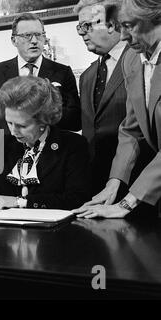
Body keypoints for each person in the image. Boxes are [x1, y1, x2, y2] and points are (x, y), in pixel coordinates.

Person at [74, 0, 161, 219]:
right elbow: (131, 129)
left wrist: (127, 203)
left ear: (156, 18)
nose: (122, 36)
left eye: (129, 26)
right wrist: (114, 183)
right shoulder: (132, 59)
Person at [0, 12, 81, 184]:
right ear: (14, 40)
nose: (34, 41)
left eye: (39, 35)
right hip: (7, 161)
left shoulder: (62, 72)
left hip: (50, 161)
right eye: (27, 35)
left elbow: (76, 120)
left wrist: (47, 109)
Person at [0, 76, 91, 210]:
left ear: (43, 121)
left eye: (22, 126)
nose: (13, 132)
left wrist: (21, 202)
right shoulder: (5, 144)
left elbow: (77, 200)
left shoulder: (73, 145)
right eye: (9, 123)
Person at [75, 0, 130, 195]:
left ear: (112, 24)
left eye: (87, 25)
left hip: (136, 181)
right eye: (79, 27)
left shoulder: (140, 61)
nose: (82, 33)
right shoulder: (87, 76)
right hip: (95, 183)